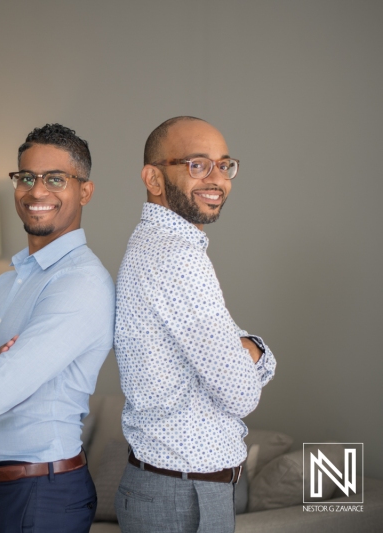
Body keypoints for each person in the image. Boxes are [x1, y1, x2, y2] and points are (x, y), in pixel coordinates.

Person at [0, 123, 115, 533]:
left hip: (44, 496)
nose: (36, 191)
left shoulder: (80, 283)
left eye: (55, 179)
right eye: (26, 177)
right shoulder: (6, 283)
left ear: (84, 191)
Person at [113, 116, 277, 532]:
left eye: (224, 165)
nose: (217, 178)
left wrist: (243, 351)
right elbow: (241, 394)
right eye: (197, 164)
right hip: (181, 498)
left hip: (174, 487)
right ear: (153, 178)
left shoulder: (155, 244)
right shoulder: (176, 256)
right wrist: (256, 349)